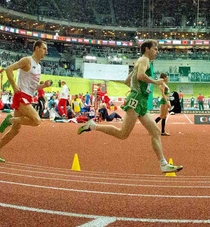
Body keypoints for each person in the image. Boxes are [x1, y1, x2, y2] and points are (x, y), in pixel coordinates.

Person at [77, 40, 183, 174]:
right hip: (136, 100)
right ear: (146, 49)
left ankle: (163, 164)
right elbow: (140, 76)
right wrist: (154, 82)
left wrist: (138, 90)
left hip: (141, 100)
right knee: (123, 134)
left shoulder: (141, 62)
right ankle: (92, 125)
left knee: (155, 131)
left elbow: (129, 81)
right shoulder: (144, 59)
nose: (157, 51)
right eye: (155, 49)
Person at [0, 41, 52, 163]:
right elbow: (9, 69)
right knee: (36, 120)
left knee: (15, 130)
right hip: (21, 96)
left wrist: (44, 86)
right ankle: (10, 119)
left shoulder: (39, 67)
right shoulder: (27, 60)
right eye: (44, 48)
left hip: (28, 96)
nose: (46, 51)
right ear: (37, 48)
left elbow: (33, 87)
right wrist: (14, 86)